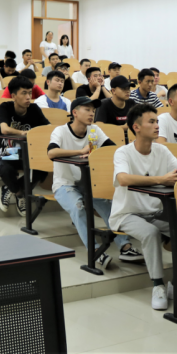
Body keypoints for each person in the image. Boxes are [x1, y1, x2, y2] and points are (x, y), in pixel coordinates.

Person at [111, 103, 177, 309]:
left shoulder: (161, 150)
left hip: (156, 212)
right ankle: (157, 285)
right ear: (136, 127)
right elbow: (123, 178)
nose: (157, 126)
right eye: (152, 122)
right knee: (150, 233)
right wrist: (161, 180)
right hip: (127, 214)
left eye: (157, 121)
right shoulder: (123, 152)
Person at [48, 97, 143, 269]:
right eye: (87, 109)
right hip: (64, 184)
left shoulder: (94, 130)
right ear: (75, 112)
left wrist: (98, 153)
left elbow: (113, 149)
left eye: (93, 110)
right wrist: (80, 151)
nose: (92, 113)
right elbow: (51, 152)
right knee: (78, 207)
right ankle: (95, 251)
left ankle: (125, 247)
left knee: (110, 206)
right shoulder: (60, 131)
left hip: (89, 183)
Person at [0, 76, 51, 214]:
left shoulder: (34, 108)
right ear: (13, 96)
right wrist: (24, 133)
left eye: (30, 93)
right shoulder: (5, 107)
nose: (28, 97)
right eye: (24, 93)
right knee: (5, 168)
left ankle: (9, 188)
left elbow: (48, 128)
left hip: (27, 152)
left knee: (43, 168)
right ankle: (19, 193)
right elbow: (4, 129)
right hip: (6, 150)